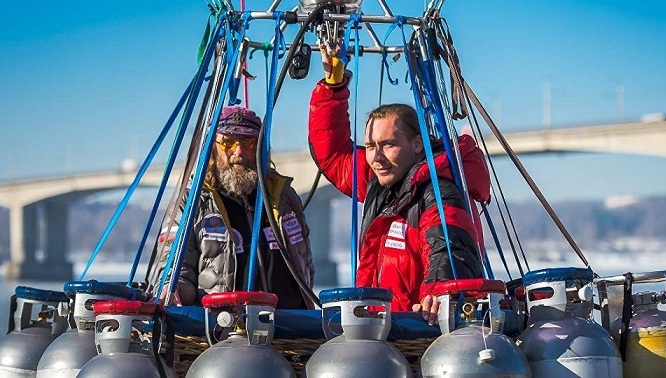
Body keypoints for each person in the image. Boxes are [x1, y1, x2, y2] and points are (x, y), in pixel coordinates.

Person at [308, 44, 491, 324]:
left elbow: (449, 247)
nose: (376, 157)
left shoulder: (438, 193)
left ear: (417, 145)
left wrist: (438, 292)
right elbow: (333, 153)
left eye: (388, 144)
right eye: (370, 146)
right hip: (379, 329)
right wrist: (333, 86)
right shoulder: (380, 184)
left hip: (417, 331)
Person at [154, 105, 315, 309]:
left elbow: (305, 261)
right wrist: (172, 288)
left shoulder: (284, 198)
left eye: (248, 143)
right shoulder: (192, 201)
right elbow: (175, 261)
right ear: (213, 149)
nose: (238, 152)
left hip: (287, 324)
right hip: (222, 325)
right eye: (228, 143)